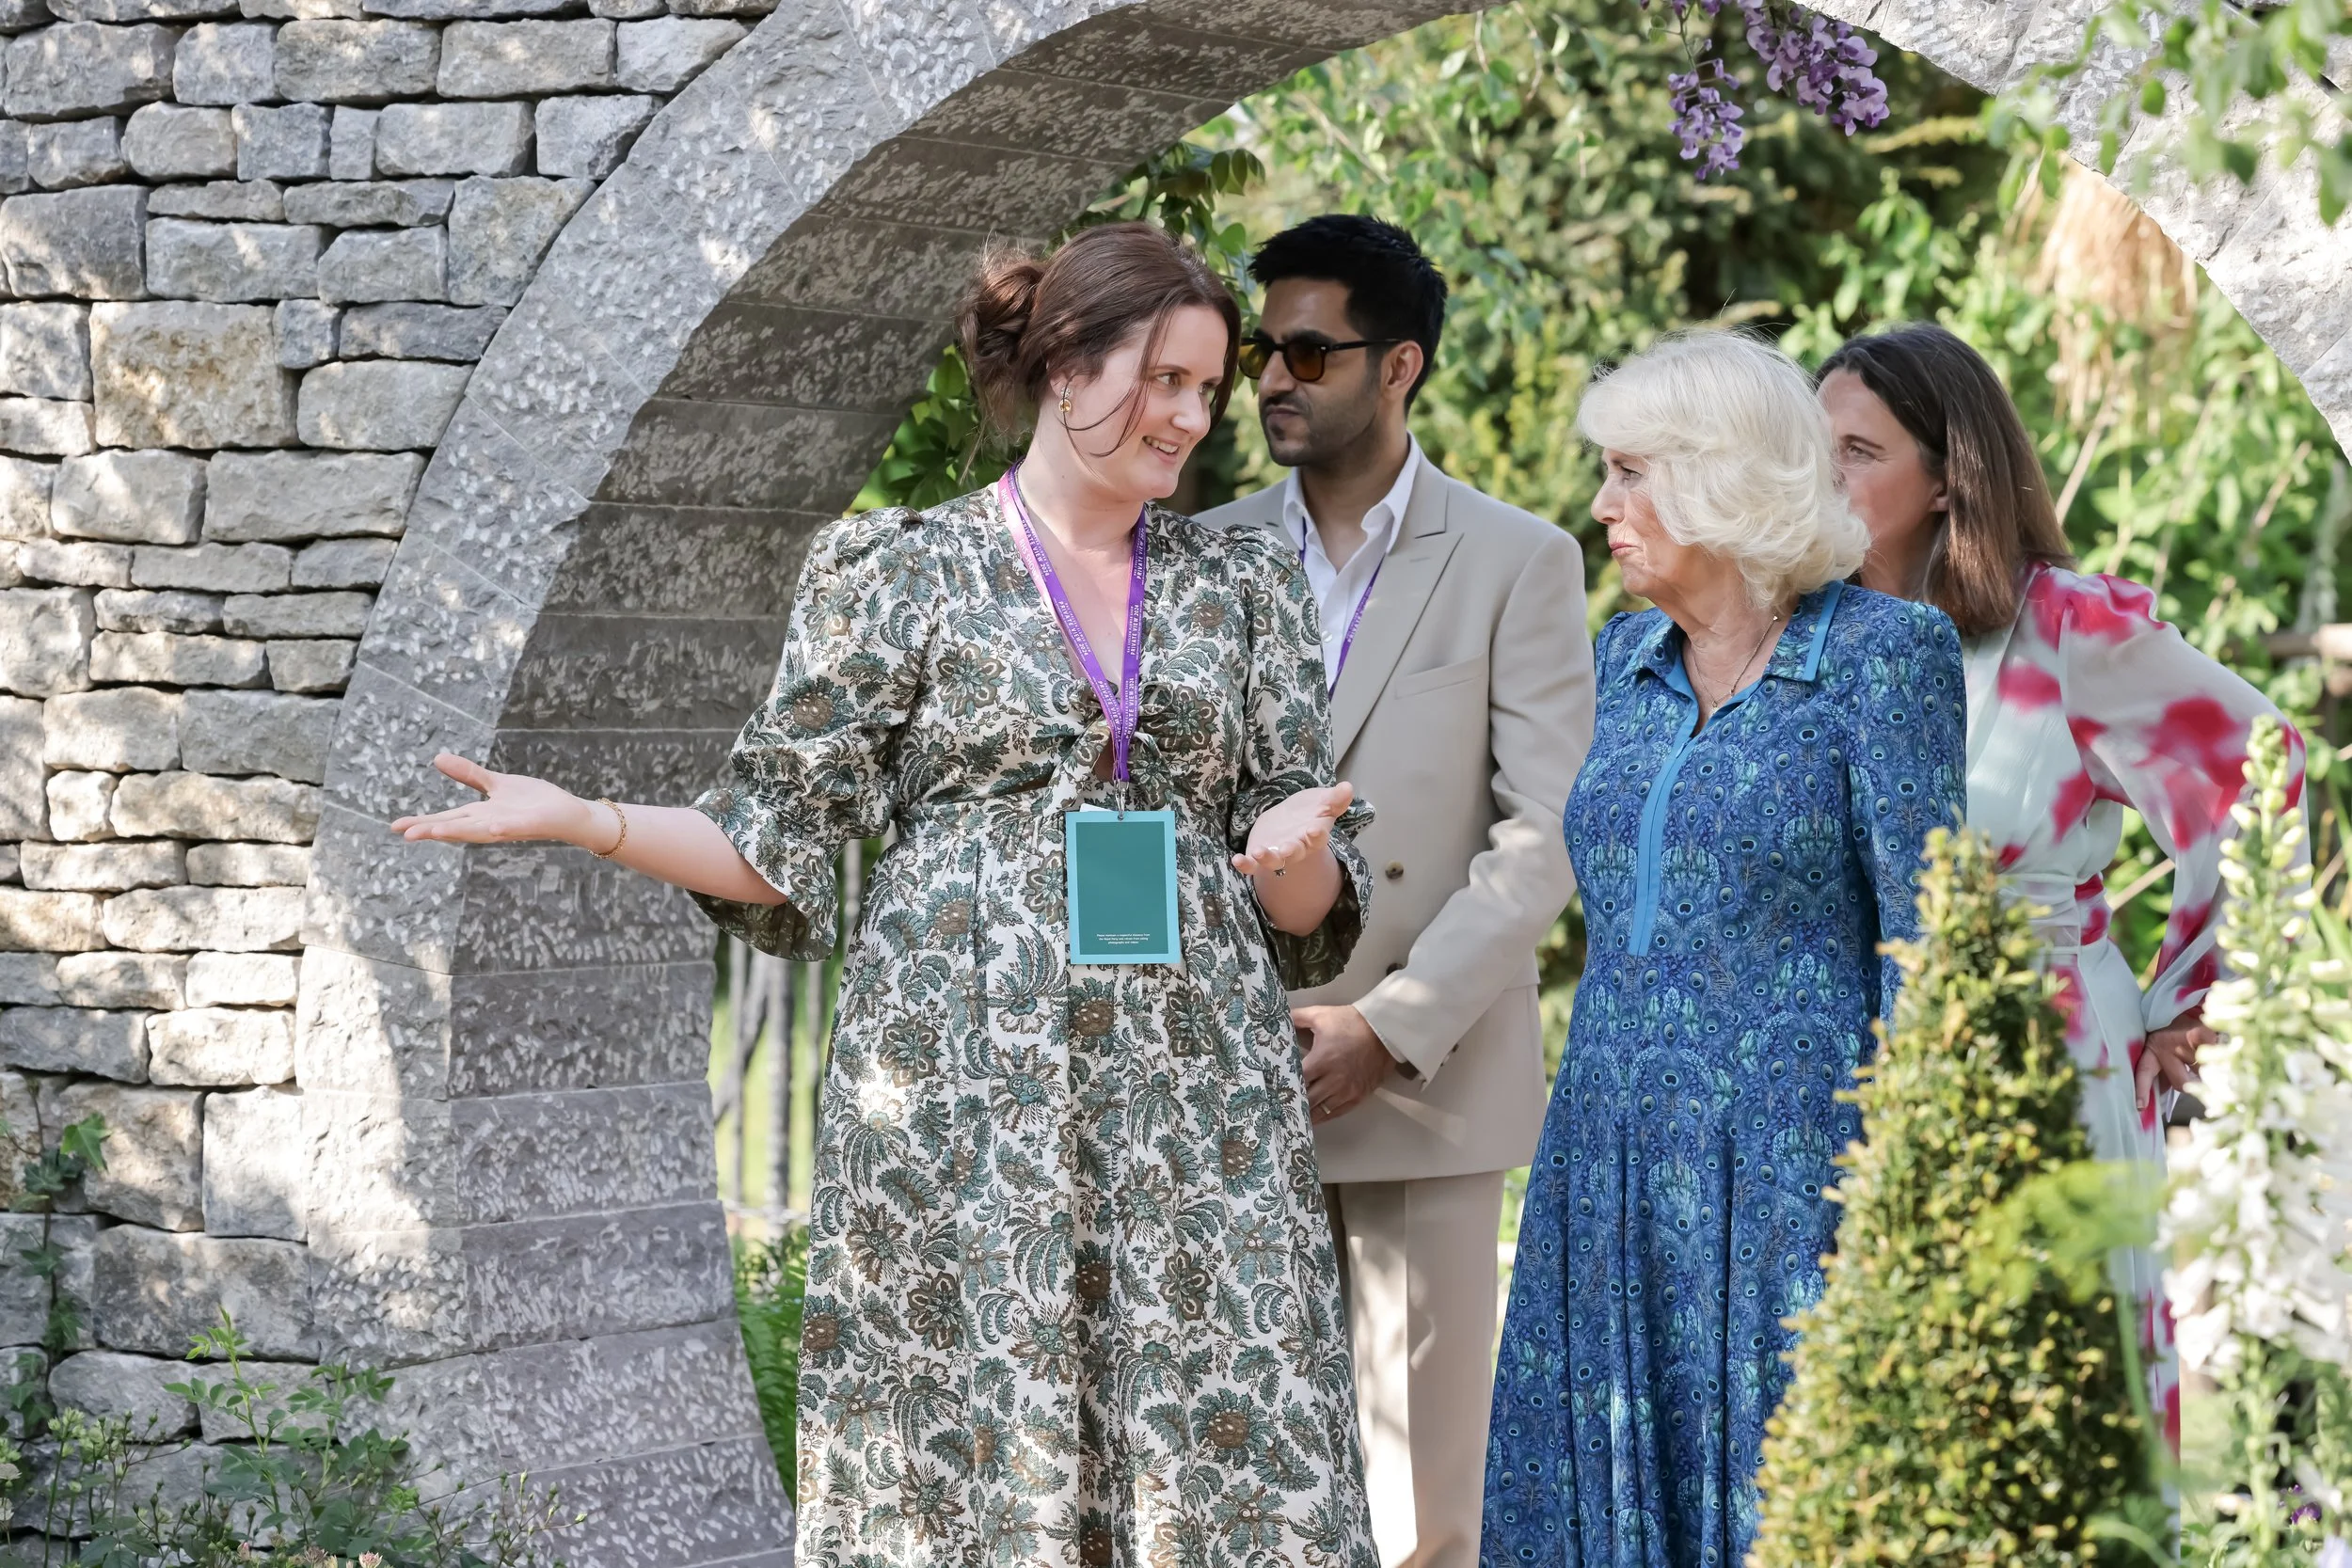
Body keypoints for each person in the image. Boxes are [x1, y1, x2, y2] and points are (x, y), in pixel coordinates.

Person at [389, 221, 1383, 1568]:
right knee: (976, 1435)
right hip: (964, 1100)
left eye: (1208, 388)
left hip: (1194, 1102)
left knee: (1218, 1428)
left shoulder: (1245, 582)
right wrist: (591, 820)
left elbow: (1303, 902)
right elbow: (773, 844)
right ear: (1064, 366)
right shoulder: (893, 572)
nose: (1190, 417)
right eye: (1163, 379)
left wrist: (1288, 849)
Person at [1481, 331, 1967, 1568]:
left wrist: (1914, 1211)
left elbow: (1937, 950)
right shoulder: (1622, 663)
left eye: (1628, 472)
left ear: (1722, 480)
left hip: (1795, 1183)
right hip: (1607, 1166)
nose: (1600, 505)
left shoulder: (1885, 658)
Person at [1817, 321, 2307, 1451]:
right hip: (1848, 1064)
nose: (1819, 475)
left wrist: (2198, 996)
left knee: (2059, 1415)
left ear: (1947, 478)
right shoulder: (1805, 642)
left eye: (1854, 450)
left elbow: (2259, 771)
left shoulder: (2063, 631)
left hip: (2049, 1048)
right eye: (1809, 447)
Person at [1199, 214, 1594, 1568]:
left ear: (1401, 364)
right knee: (1238, 1475)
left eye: (1312, 348)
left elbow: (1543, 834)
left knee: (1427, 1510)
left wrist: (1394, 1022)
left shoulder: (1518, 559)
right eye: (1266, 347)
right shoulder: (1199, 554)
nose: (1272, 378)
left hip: (1423, 1077)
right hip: (1221, 1072)